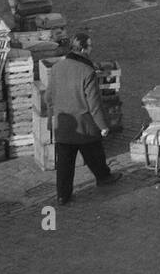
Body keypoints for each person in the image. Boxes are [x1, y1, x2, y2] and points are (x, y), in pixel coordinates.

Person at [47, 31, 119, 205]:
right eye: (90, 45)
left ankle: (63, 195)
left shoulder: (56, 68)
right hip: (84, 125)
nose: (92, 48)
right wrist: (103, 126)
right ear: (84, 49)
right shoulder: (87, 71)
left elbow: (48, 98)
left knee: (64, 163)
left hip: (63, 125)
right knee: (94, 152)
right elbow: (94, 104)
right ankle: (103, 177)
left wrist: (51, 121)